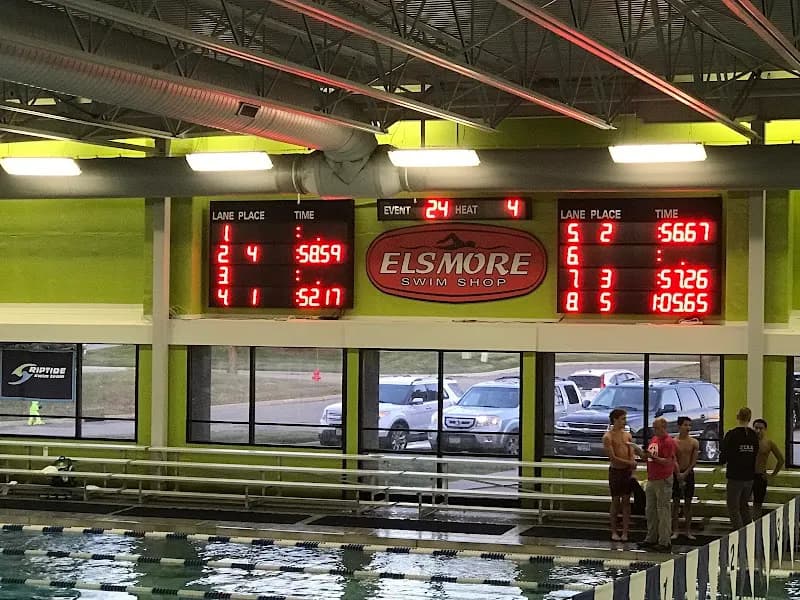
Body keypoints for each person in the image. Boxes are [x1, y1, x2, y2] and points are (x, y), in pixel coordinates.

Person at [636, 416, 677, 552]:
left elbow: (667, 462)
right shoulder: (654, 440)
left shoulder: (668, 442)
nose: (654, 430)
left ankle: (665, 541)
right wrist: (638, 451)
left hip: (663, 479)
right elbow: (647, 457)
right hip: (652, 478)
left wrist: (652, 457)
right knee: (650, 510)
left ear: (664, 428)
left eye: (657, 428)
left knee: (663, 510)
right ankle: (651, 537)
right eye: (653, 428)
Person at [720, 407, 759, 530]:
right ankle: (749, 532)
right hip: (749, 477)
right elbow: (755, 454)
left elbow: (724, 455)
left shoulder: (732, 434)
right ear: (750, 418)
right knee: (744, 506)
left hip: (735, 476)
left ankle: (739, 533)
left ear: (737, 417)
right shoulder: (753, 435)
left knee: (733, 507)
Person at [602, 408, 636, 542]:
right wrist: (629, 462)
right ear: (615, 420)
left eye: (625, 419)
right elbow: (613, 458)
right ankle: (614, 531)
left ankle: (625, 532)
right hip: (616, 472)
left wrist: (632, 467)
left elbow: (631, 453)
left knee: (626, 502)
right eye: (622, 419)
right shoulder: (607, 437)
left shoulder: (627, 435)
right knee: (616, 502)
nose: (624, 421)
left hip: (626, 472)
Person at [671, 416, 699, 540]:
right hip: (676, 473)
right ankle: (675, 530)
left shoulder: (694, 442)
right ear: (679, 426)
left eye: (689, 425)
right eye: (685, 425)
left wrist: (686, 473)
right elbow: (673, 459)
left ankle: (688, 531)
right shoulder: (673, 442)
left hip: (689, 474)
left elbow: (693, 461)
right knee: (676, 504)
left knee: (688, 504)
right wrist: (678, 474)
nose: (688, 428)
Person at [752, 418, 784, 517]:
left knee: (757, 504)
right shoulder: (748, 442)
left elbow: (781, 460)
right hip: (747, 476)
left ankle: (756, 527)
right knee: (742, 503)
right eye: (756, 428)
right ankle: (745, 527)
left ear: (765, 429)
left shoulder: (769, 443)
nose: (758, 430)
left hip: (760, 476)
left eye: (760, 428)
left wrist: (772, 475)